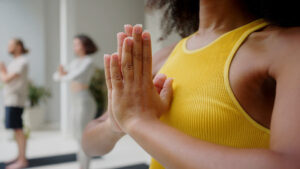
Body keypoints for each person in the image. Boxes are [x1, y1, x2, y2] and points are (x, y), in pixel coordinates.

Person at [82, 0, 300, 169]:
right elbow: (89, 143)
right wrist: (117, 123)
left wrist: (139, 122)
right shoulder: (163, 58)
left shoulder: (287, 47)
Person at [53, 34, 97, 169]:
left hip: (85, 102)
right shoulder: (74, 62)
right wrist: (62, 75)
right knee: (77, 136)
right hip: (75, 102)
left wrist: (63, 75)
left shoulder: (88, 61)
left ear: (85, 46)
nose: (74, 47)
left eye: (77, 44)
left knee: (83, 137)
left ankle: (84, 166)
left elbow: (71, 76)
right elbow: (56, 77)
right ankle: (82, 165)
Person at [0, 39, 29, 169]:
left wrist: (1, 70)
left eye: (10, 45)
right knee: (16, 130)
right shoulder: (16, 62)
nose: (8, 47)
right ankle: (19, 156)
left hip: (15, 100)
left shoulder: (22, 61)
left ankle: (22, 160)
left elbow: (6, 78)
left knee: (18, 130)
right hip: (11, 99)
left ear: (18, 46)